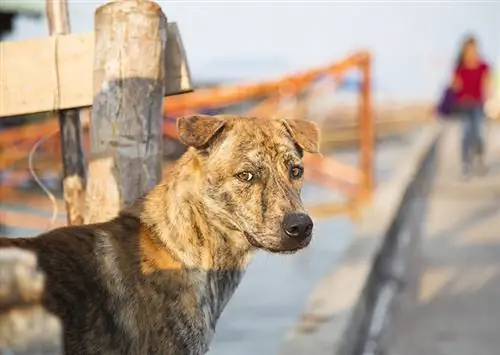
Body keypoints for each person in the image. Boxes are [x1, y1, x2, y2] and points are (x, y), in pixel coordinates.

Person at [451, 35, 492, 178]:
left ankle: (480, 159)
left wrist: (490, 100)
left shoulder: (483, 66)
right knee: (465, 134)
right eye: (468, 49)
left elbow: (488, 85)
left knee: (480, 134)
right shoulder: (459, 67)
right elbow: (455, 86)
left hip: (478, 104)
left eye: (473, 49)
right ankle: (466, 163)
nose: (471, 51)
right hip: (463, 105)